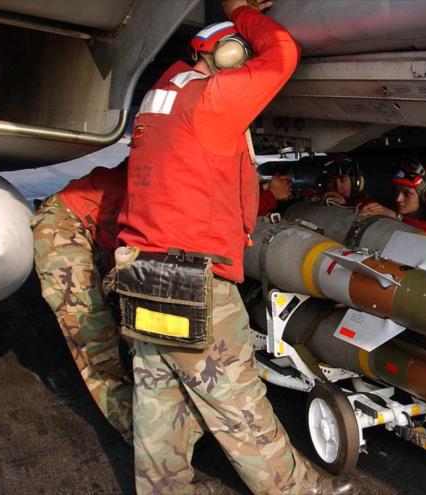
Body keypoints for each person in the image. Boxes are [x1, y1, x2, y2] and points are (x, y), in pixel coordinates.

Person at [117, 1, 348, 493]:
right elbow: (282, 52)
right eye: (240, 58)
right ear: (225, 55)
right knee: (238, 403)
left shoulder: (162, 95)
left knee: (159, 399)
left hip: (142, 273)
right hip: (191, 278)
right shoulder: (212, 98)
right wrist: (240, 10)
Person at [31, 160, 133, 442]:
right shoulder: (154, 176)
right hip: (62, 228)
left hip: (100, 230)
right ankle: (135, 427)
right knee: (91, 332)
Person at [359, 157, 426, 237]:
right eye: (397, 192)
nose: (398, 199)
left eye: (407, 194)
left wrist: (397, 217)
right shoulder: (408, 215)